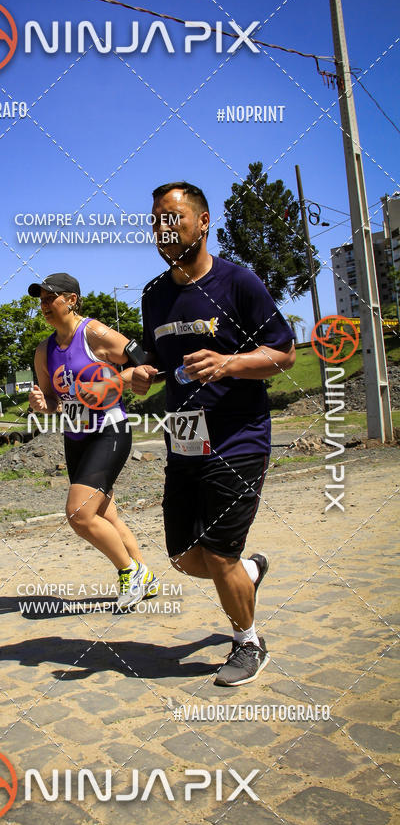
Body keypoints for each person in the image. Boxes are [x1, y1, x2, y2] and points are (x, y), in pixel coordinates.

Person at [132, 182, 295, 686]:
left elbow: (283, 354)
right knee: (183, 556)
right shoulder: (154, 295)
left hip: (237, 437)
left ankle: (247, 642)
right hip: (182, 437)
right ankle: (246, 575)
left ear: (203, 223)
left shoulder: (238, 282)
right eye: (156, 218)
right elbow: (155, 362)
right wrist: (140, 375)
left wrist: (230, 363)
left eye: (173, 217)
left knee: (221, 553)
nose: (163, 227)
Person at [28, 272, 160, 610]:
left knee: (79, 514)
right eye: (40, 300)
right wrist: (44, 405)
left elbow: (144, 364)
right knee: (106, 514)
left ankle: (130, 573)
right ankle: (148, 577)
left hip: (109, 431)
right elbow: (53, 399)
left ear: (71, 300)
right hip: (75, 437)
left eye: (50, 298)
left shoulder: (94, 333)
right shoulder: (44, 351)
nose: (44, 305)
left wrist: (110, 383)